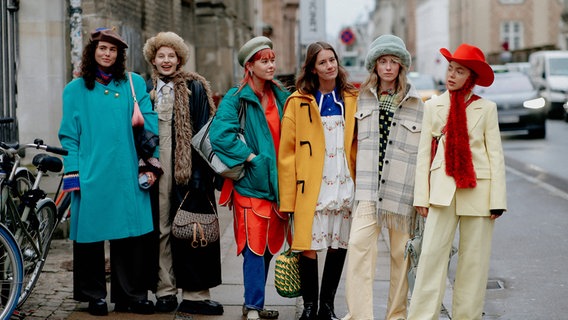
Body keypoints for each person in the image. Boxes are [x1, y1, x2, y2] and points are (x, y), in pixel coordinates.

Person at [58, 27, 159, 316]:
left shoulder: (133, 83)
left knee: (130, 235)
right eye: (102, 48)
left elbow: (149, 124)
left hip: (128, 172)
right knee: (90, 237)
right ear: (93, 51)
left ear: (119, 55)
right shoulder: (75, 89)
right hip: (92, 172)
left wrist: (152, 165)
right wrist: (73, 173)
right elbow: (69, 136)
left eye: (113, 50)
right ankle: (94, 295)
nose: (107, 53)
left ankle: (131, 295)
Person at [407, 43, 507, 320]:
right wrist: (421, 197)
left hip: (479, 191)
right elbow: (423, 155)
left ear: (470, 77)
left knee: (473, 263)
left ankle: (468, 316)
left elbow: (495, 156)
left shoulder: (487, 109)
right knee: (430, 259)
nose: (451, 75)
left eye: (459, 71)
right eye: (450, 68)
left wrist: (497, 201)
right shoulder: (433, 106)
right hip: (441, 190)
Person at [342, 34, 424, 320]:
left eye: (393, 62)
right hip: (367, 188)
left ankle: (396, 315)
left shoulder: (417, 102)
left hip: (402, 192)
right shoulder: (359, 98)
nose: (388, 67)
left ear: (401, 66)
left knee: (401, 256)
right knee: (358, 248)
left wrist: (422, 196)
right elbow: (348, 144)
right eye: (382, 61)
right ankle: (360, 316)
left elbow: (424, 154)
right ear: (374, 65)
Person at [209, 36, 290, 320]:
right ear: (250, 65)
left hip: (278, 183)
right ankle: (253, 307)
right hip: (250, 183)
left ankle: (253, 301)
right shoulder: (236, 97)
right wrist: (251, 158)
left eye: (272, 59)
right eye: (264, 61)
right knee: (253, 247)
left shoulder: (281, 95)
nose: (271, 65)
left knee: (268, 246)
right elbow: (220, 135)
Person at [142, 31, 223, 315]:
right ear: (153, 59)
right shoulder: (145, 89)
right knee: (162, 228)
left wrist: (202, 173)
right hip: (156, 166)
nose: (166, 60)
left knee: (192, 229)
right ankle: (164, 291)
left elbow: (203, 132)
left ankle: (195, 294)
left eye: (171, 56)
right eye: (161, 55)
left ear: (179, 59)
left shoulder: (194, 87)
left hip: (188, 167)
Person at [278, 41, 358, 320]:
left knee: (339, 244)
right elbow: (286, 155)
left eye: (333, 60)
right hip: (311, 186)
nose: (330, 66)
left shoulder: (351, 98)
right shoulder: (297, 102)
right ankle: (310, 306)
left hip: (343, 182)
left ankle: (327, 306)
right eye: (323, 62)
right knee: (308, 245)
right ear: (312, 68)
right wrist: (287, 200)